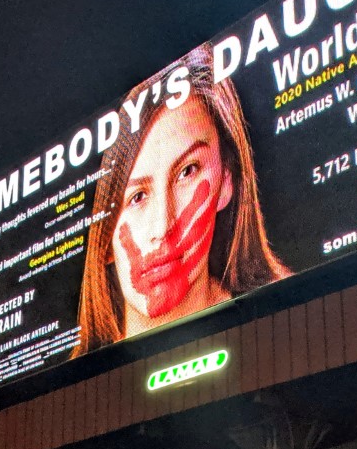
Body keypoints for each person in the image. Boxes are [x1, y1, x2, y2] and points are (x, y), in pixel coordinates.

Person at [72, 43, 290, 356]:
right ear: (104, 241)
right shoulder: (76, 385)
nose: (162, 225)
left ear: (226, 178)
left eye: (187, 171)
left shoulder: (285, 322)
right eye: (137, 196)